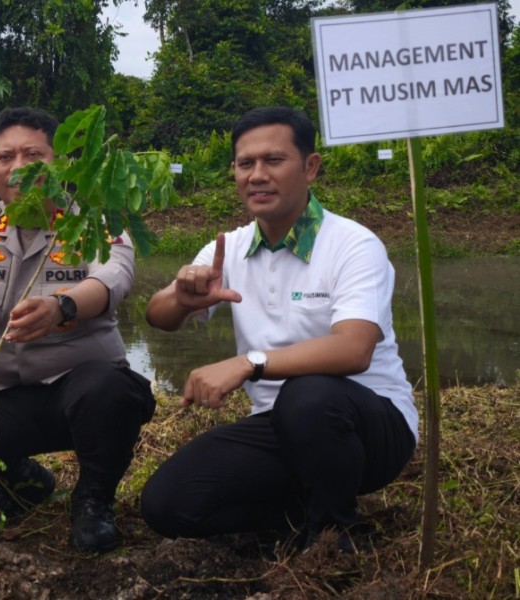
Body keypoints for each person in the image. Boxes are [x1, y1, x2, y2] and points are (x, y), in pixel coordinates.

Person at [140, 107, 418, 553]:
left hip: (367, 425)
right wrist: (182, 297)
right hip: (279, 427)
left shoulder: (352, 245)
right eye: (245, 164)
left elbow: (354, 349)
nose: (257, 175)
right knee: (166, 504)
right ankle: (302, 511)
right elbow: (158, 317)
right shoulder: (227, 249)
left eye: (273, 161)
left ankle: (335, 533)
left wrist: (248, 364)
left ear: (310, 167)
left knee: (307, 395)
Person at [0, 106, 156, 553]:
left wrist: (63, 306)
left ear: (60, 164)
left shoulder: (96, 222)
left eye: (33, 155)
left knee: (108, 391)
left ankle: (94, 500)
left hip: (78, 395)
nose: (18, 168)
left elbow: (115, 277)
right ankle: (22, 479)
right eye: (5, 157)